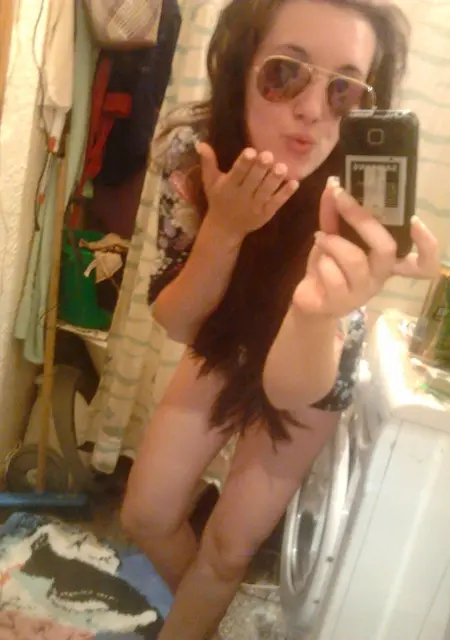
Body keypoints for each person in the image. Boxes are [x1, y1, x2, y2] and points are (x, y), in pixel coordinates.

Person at [121, 1, 439, 638]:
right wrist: (224, 227)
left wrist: (318, 309)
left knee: (228, 548)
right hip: (228, 332)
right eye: (285, 73)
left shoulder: (358, 181)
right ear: (241, 66)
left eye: (344, 89)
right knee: (146, 515)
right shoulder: (194, 150)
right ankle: (214, 622)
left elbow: (291, 390)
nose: (313, 109)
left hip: (315, 356)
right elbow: (178, 322)